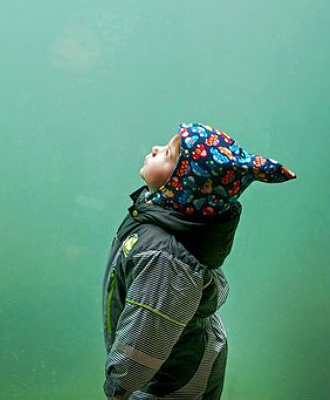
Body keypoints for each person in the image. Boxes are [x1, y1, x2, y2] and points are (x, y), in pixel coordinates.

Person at [102, 122, 296, 400]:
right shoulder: (159, 213)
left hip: (170, 384)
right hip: (161, 373)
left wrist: (119, 387)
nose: (156, 150)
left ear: (183, 187)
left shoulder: (165, 259)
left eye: (168, 155)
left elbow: (147, 335)